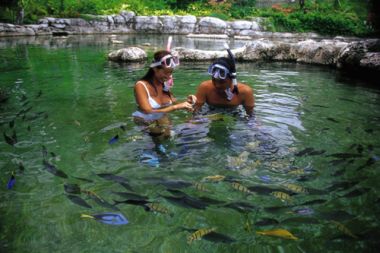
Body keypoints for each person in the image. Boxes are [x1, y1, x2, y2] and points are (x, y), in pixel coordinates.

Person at [132, 50, 195, 141]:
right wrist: (176, 107)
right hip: (147, 124)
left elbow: (174, 102)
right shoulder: (141, 85)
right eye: (166, 72)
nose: (169, 76)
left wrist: (188, 102)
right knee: (162, 134)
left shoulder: (164, 85)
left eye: (171, 72)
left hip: (164, 123)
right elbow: (148, 111)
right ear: (155, 69)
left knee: (193, 127)